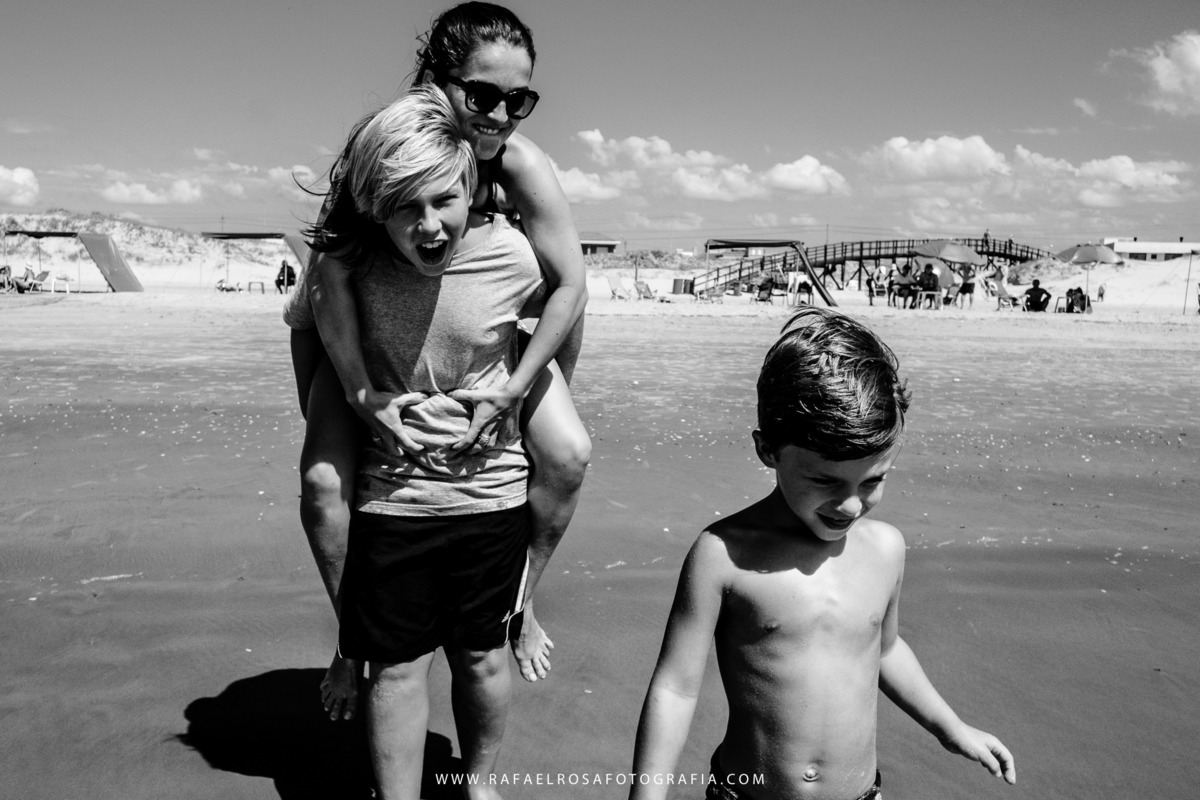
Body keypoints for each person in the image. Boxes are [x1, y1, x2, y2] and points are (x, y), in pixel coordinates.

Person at [286, 1, 590, 721]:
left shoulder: (520, 164)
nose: (499, 114)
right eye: (481, 94)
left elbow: (571, 286)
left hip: (488, 346)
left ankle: (519, 603)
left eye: (521, 99)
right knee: (323, 484)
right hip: (353, 336)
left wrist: (516, 393)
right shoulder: (390, 142)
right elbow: (326, 277)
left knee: (570, 455)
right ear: (435, 79)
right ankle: (354, 637)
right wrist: (361, 398)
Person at [629, 307, 1016, 800]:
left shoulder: (885, 550)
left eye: (873, 481)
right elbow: (675, 688)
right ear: (768, 449)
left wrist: (950, 727)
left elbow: (886, 650)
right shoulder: (724, 555)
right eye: (824, 481)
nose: (852, 504)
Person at [307, 85, 546, 799]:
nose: (430, 224)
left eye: (444, 199)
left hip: (492, 494)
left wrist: (523, 397)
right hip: (394, 500)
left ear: (470, 185)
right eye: (407, 207)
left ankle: (479, 784)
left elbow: (565, 315)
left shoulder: (514, 257)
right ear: (378, 207)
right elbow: (307, 318)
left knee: (481, 659)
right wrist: (349, 400)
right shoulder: (351, 267)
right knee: (400, 667)